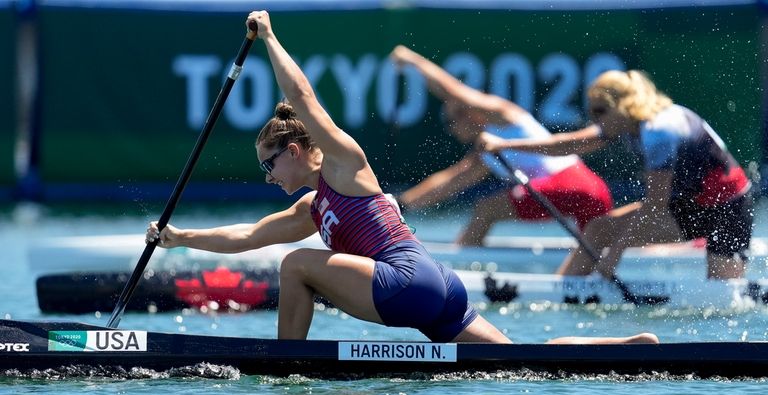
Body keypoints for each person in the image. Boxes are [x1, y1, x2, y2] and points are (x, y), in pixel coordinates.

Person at [146, 11, 658, 345]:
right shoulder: (311, 208)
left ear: (297, 151)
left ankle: (287, 362)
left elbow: (303, 99)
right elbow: (249, 236)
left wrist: (272, 38)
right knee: (517, 360)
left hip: (406, 282)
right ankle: (613, 347)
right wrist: (179, 238)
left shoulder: (345, 163)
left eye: (269, 164)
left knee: (298, 264)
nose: (267, 176)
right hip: (439, 290)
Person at [476, 69, 754, 280]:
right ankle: (564, 290)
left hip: (728, 210)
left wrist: (615, 255)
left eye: (599, 111)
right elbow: (568, 144)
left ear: (621, 106)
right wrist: (504, 144)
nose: (594, 119)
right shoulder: (630, 122)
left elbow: (656, 205)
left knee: (723, 298)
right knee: (598, 228)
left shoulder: (659, 130)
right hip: (688, 205)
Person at [389, 46, 614, 246]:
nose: (450, 130)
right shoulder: (486, 153)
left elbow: (452, 92)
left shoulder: (501, 115)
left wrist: (413, 61)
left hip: (573, 183)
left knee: (485, 210)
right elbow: (450, 182)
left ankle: (459, 269)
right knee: (599, 254)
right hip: (591, 190)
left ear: (469, 113)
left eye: (451, 122)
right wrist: (400, 204)